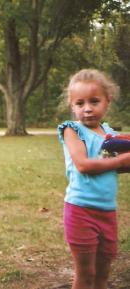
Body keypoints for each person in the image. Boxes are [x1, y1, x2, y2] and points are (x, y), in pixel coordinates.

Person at [57, 68, 130, 289]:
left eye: (94, 101)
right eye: (80, 103)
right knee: (86, 273)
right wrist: (121, 161)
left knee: (102, 274)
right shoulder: (72, 130)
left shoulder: (108, 134)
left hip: (107, 212)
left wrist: (124, 163)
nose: (87, 108)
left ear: (107, 101)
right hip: (81, 211)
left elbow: (110, 167)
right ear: (72, 106)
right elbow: (84, 165)